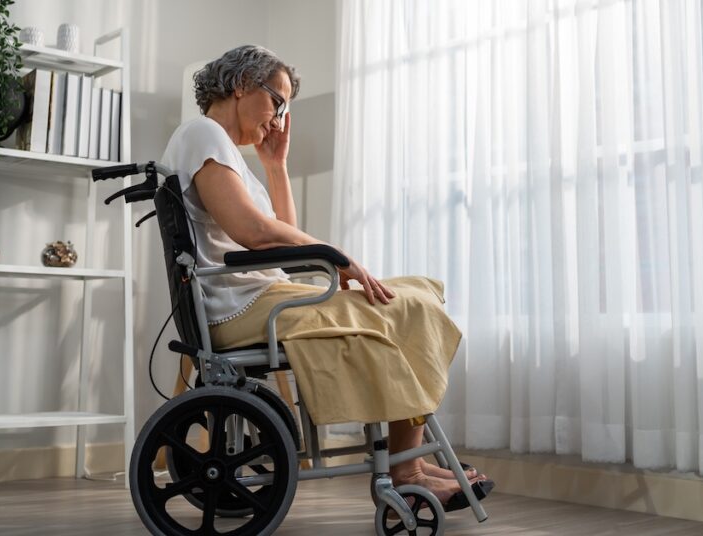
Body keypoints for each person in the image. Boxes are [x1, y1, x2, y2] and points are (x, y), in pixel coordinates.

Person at [160, 45, 492, 509]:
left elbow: (277, 243)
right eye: (277, 101)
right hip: (242, 307)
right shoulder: (203, 134)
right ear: (239, 86)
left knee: (418, 289)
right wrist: (336, 257)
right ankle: (407, 467)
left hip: (258, 296)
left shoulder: (219, 149)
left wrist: (276, 166)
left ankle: (408, 459)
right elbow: (253, 231)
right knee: (403, 303)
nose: (278, 118)